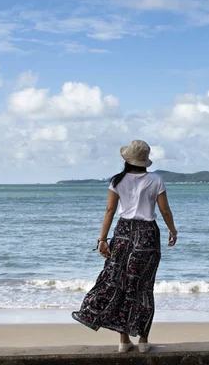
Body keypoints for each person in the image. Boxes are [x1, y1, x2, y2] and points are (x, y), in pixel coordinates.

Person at [72, 139, 178, 353]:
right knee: (144, 287)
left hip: (122, 234)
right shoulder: (156, 179)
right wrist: (172, 230)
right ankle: (144, 341)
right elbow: (165, 210)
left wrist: (102, 239)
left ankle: (123, 340)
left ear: (127, 159)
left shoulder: (117, 180)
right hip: (147, 235)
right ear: (145, 161)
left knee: (122, 284)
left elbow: (110, 211)